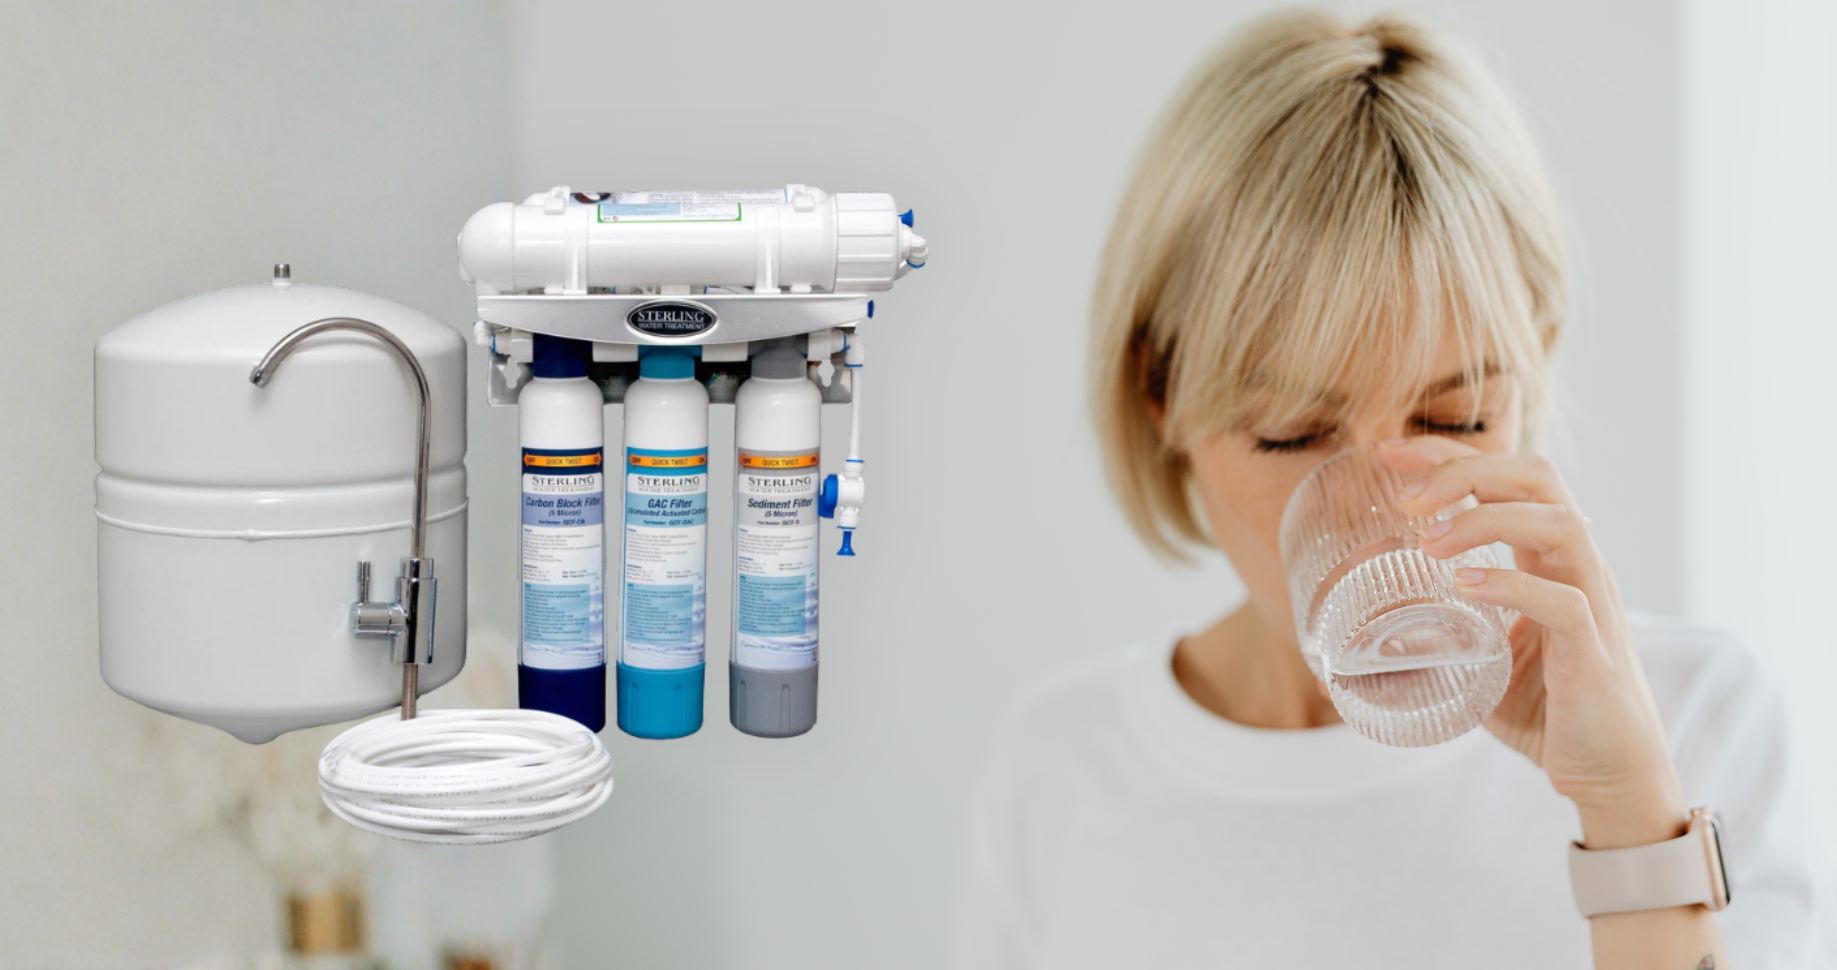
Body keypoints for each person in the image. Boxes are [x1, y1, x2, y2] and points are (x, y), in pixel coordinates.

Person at [948, 10, 1836, 968]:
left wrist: (1627, 817)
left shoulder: (1696, 718)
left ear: (1529, 364)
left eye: (1454, 420)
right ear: (1159, 394)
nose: (1393, 508)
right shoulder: (1060, 769)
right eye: (1293, 430)